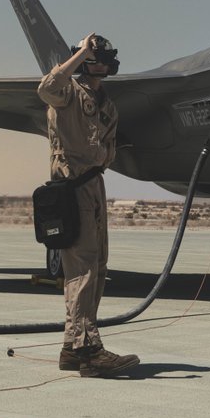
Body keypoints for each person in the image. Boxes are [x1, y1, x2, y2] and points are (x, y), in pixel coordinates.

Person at [37, 32, 138, 378]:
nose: (108, 61)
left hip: (94, 187)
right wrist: (80, 53)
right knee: (82, 269)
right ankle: (89, 350)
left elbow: (106, 148)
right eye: (101, 55)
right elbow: (46, 88)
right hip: (72, 189)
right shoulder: (67, 93)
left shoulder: (106, 104)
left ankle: (72, 347)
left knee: (97, 267)